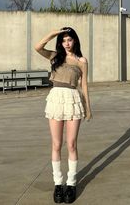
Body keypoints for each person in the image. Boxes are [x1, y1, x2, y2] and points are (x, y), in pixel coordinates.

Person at [34, 27, 92, 203]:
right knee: (57, 144)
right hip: (56, 99)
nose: (67, 43)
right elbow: (38, 47)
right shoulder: (54, 56)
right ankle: (58, 184)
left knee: (72, 144)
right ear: (60, 42)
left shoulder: (81, 60)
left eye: (69, 39)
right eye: (64, 40)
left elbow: (84, 86)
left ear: (75, 41)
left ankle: (71, 184)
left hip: (73, 99)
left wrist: (88, 107)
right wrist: (53, 33)